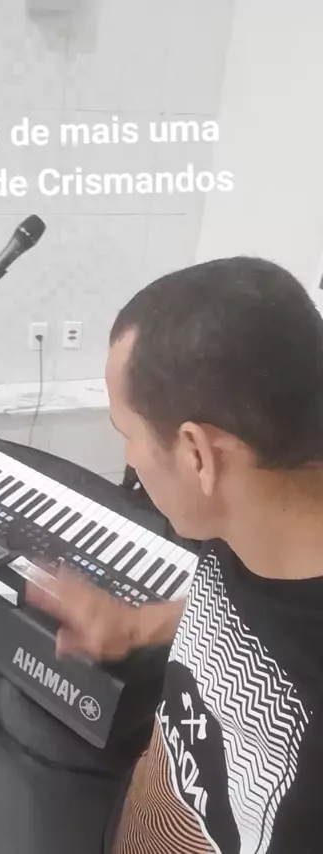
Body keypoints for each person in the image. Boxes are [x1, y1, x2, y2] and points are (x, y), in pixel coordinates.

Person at [27, 256, 323, 854]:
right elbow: (254, 613)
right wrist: (139, 625)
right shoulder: (254, 526)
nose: (130, 460)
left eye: (128, 434)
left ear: (197, 454)